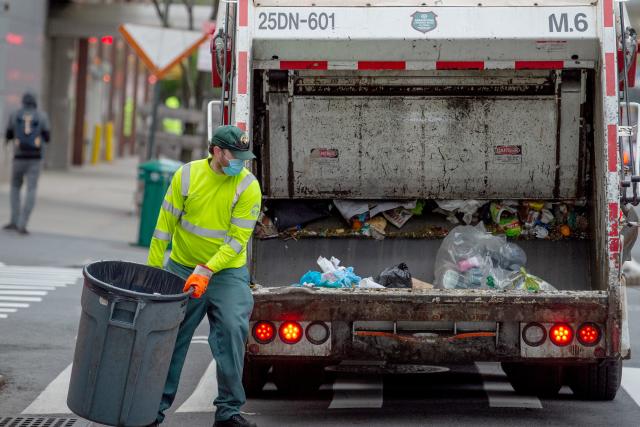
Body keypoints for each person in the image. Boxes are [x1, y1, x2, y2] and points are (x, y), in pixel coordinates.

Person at [146, 125, 261, 427]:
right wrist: (155, 271)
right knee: (169, 338)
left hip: (226, 272)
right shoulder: (186, 175)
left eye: (244, 157)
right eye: (235, 156)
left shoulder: (248, 187)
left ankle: (228, 411)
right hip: (182, 268)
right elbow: (163, 225)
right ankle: (150, 412)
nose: (241, 162)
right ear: (217, 151)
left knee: (234, 329)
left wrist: (207, 270)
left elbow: (237, 240)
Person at [3, 92, 50, 235]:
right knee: (31, 189)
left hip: (18, 157)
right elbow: (47, 137)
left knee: (15, 187)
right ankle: (23, 223)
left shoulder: (15, 114)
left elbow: (9, 135)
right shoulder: (42, 116)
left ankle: (14, 220)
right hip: (35, 159)